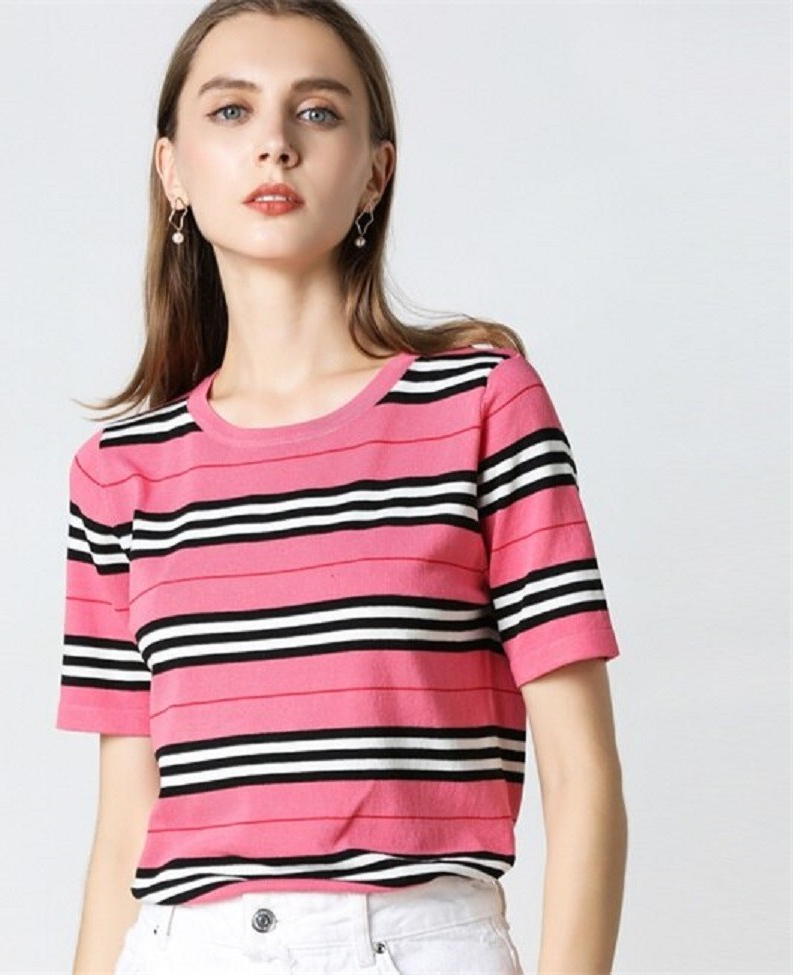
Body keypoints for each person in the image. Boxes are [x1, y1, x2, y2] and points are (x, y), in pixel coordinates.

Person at [54, 1, 628, 973]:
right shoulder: (120, 471)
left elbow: (582, 777)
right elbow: (124, 826)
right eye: (230, 111)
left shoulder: (482, 406)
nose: (274, 144)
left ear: (375, 171)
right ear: (172, 170)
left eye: (317, 112)